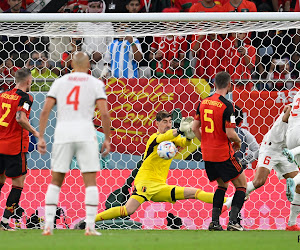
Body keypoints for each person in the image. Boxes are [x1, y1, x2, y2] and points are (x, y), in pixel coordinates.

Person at [76, 111, 230, 228]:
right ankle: (89, 221)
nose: (168, 124)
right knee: (127, 210)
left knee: (195, 193)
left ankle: (229, 200)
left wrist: (188, 136)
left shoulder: (173, 137)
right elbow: (165, 137)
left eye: (170, 121)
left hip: (160, 186)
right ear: (157, 124)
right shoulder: (154, 138)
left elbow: (185, 143)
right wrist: (180, 130)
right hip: (145, 183)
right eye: (164, 122)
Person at [37, 52, 111, 236]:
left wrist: (41, 136)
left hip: (63, 133)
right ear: (88, 66)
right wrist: (108, 138)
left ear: (71, 64)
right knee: (90, 181)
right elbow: (104, 114)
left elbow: (45, 110)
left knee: (56, 180)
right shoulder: (95, 83)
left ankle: (47, 226)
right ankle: (90, 227)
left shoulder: (60, 82)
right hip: (86, 133)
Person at [227, 105, 300, 231]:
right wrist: (290, 111)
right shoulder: (294, 112)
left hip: (284, 151)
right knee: (259, 181)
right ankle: (227, 205)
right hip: (270, 148)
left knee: (299, 186)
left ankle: (291, 224)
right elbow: (287, 111)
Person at [192, 71, 247, 231]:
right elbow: (230, 133)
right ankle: (233, 222)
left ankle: (215, 223)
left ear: (214, 84)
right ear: (229, 85)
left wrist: (206, 142)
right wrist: (237, 141)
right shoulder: (227, 106)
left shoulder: (203, 103)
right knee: (242, 186)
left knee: (222, 185)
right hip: (223, 153)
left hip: (208, 153)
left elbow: (195, 128)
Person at [0, 68, 39, 231]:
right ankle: (4, 222)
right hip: (15, 147)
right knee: (18, 183)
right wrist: (36, 132)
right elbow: (20, 118)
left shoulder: (2, 95)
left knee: (0, 181)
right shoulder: (26, 97)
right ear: (29, 81)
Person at [77, 0, 114, 78]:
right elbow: (79, 41)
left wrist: (101, 54)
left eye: (98, 7)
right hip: (87, 60)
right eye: (93, 7)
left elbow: (110, 42)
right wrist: (92, 53)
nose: (96, 9)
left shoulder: (107, 23)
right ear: (88, 7)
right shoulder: (81, 22)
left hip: (104, 61)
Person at [234, 105, 259, 169]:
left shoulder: (244, 133)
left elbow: (256, 150)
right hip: (239, 170)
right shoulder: (244, 133)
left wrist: (243, 162)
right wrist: (243, 162)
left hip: (223, 169)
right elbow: (256, 150)